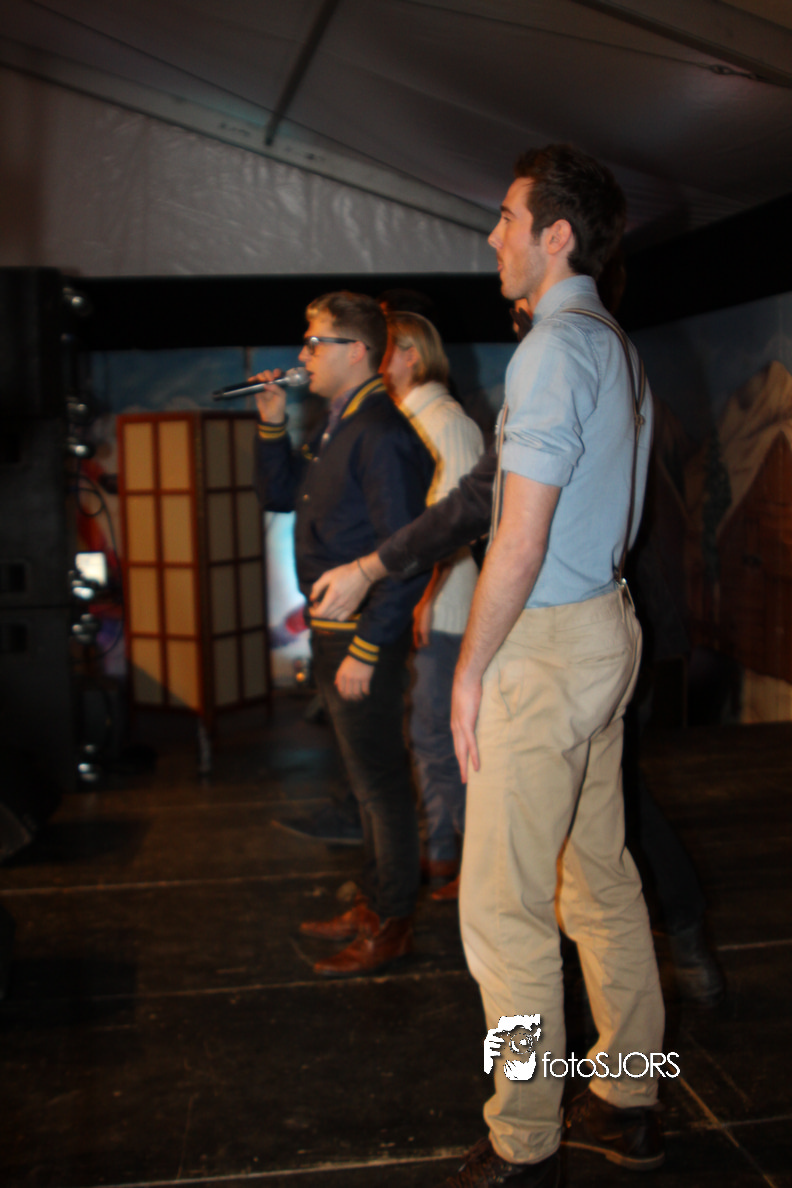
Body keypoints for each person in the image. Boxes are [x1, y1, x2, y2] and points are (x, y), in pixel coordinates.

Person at [314, 147, 666, 1185]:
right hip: (603, 630)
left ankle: (525, 1139)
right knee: (599, 882)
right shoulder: (611, 341)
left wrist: (472, 669)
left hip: (547, 648)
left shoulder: (553, 348)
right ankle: (630, 1098)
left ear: (556, 235)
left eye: (508, 217)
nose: (492, 235)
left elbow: (518, 531)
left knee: (504, 912)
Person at [253, 291, 433, 977]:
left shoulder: (382, 433)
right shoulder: (342, 422)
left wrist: (366, 647)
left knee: (381, 785)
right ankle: (377, 900)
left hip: (362, 633)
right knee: (365, 783)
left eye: (313, 342)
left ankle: (392, 922)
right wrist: (272, 423)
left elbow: (407, 554)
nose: (302, 356)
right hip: (335, 629)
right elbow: (280, 495)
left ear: (356, 351)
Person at [383, 311, 484, 896]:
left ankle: (476, 863)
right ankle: (444, 849)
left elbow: (452, 526)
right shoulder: (411, 421)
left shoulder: (447, 424)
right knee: (426, 736)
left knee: (441, 739)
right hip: (426, 602)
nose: (376, 361)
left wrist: (424, 598)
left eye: (386, 349)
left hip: (445, 607)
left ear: (413, 355)